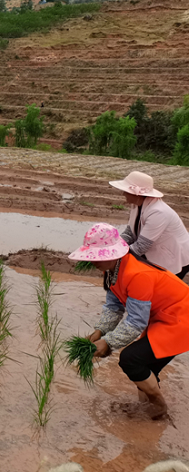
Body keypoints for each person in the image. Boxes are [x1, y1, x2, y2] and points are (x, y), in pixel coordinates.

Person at [69, 223, 189, 419]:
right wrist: (99, 332)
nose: (93, 262)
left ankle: (159, 407)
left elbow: (135, 323)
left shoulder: (138, 274)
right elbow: (113, 307)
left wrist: (108, 343)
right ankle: (149, 413)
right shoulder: (112, 269)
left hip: (181, 319)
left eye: (99, 256)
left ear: (114, 253)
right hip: (162, 317)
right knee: (145, 366)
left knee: (131, 359)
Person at [109, 171, 189, 279]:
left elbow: (141, 246)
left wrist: (114, 256)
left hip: (174, 256)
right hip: (158, 251)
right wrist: (115, 245)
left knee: (162, 291)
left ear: (136, 194)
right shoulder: (137, 205)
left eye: (126, 191)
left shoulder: (158, 212)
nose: (123, 194)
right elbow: (130, 233)